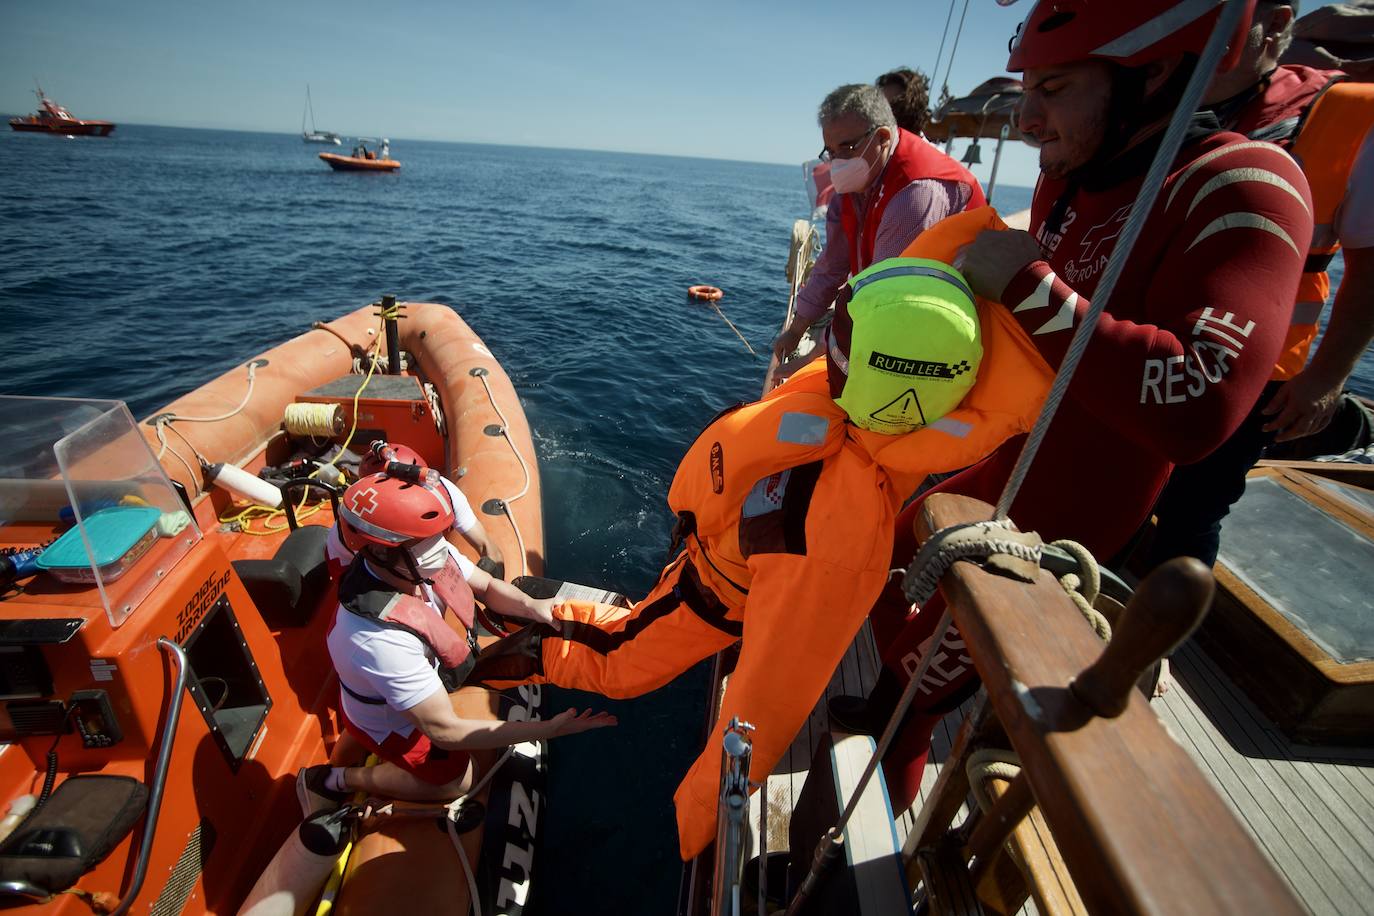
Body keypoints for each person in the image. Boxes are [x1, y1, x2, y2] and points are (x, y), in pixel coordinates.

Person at [827, 0, 1317, 812]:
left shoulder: (1247, 188)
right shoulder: (1071, 176)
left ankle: (867, 817)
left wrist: (1026, 284)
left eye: (1052, 88)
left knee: (911, 692)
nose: (1026, 121)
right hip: (1012, 458)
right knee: (875, 565)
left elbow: (1197, 409)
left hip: (1083, 502)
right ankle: (902, 697)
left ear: (1153, 73)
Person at [471, 213, 1056, 860]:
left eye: (838, 341)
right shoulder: (873, 409)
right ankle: (488, 650)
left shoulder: (835, 512)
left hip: (720, 562)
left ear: (876, 376)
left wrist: (699, 815)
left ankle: (497, 635)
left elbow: (766, 696)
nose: (823, 348)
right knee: (623, 660)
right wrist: (703, 826)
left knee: (628, 649)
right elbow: (768, 699)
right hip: (713, 579)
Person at [1148, 0, 1374, 568]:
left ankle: (1152, 649)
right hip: (1145, 345)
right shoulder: (1154, 101)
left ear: (1275, 24)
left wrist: (1326, 377)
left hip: (1252, 374)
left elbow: (1370, 268)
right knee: (1111, 485)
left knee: (1190, 514)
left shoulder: (1346, 113)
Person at [299, 467, 614, 813]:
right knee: (458, 780)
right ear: (383, 553)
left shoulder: (417, 560)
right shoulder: (377, 640)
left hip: (386, 692)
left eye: (438, 536)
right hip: (391, 723)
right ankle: (342, 780)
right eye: (425, 542)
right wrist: (547, 729)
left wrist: (532, 605)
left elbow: (488, 586)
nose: (441, 548)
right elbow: (444, 731)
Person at [770, 84, 986, 373]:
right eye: (831, 151)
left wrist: (808, 361)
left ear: (882, 138)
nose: (837, 163)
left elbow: (882, 299)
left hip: (934, 332)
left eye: (846, 148)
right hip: (887, 307)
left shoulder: (916, 195)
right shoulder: (858, 180)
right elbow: (833, 263)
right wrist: (796, 329)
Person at [324, 440, 504, 579]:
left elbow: (488, 547)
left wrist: (489, 581)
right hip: (353, 565)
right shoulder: (362, 529)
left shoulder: (445, 491)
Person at [876, 67, 932, 136]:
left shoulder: (924, 146)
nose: (880, 116)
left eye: (892, 108)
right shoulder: (869, 143)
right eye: (879, 106)